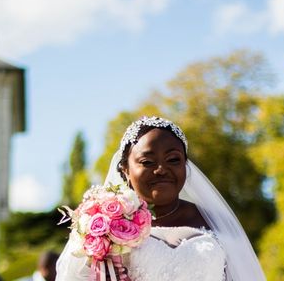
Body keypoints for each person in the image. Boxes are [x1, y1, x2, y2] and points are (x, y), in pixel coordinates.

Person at [56, 115, 265, 281]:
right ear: (125, 170)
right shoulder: (99, 227)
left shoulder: (215, 221)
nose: (161, 169)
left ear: (185, 165)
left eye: (173, 159)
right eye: (147, 162)